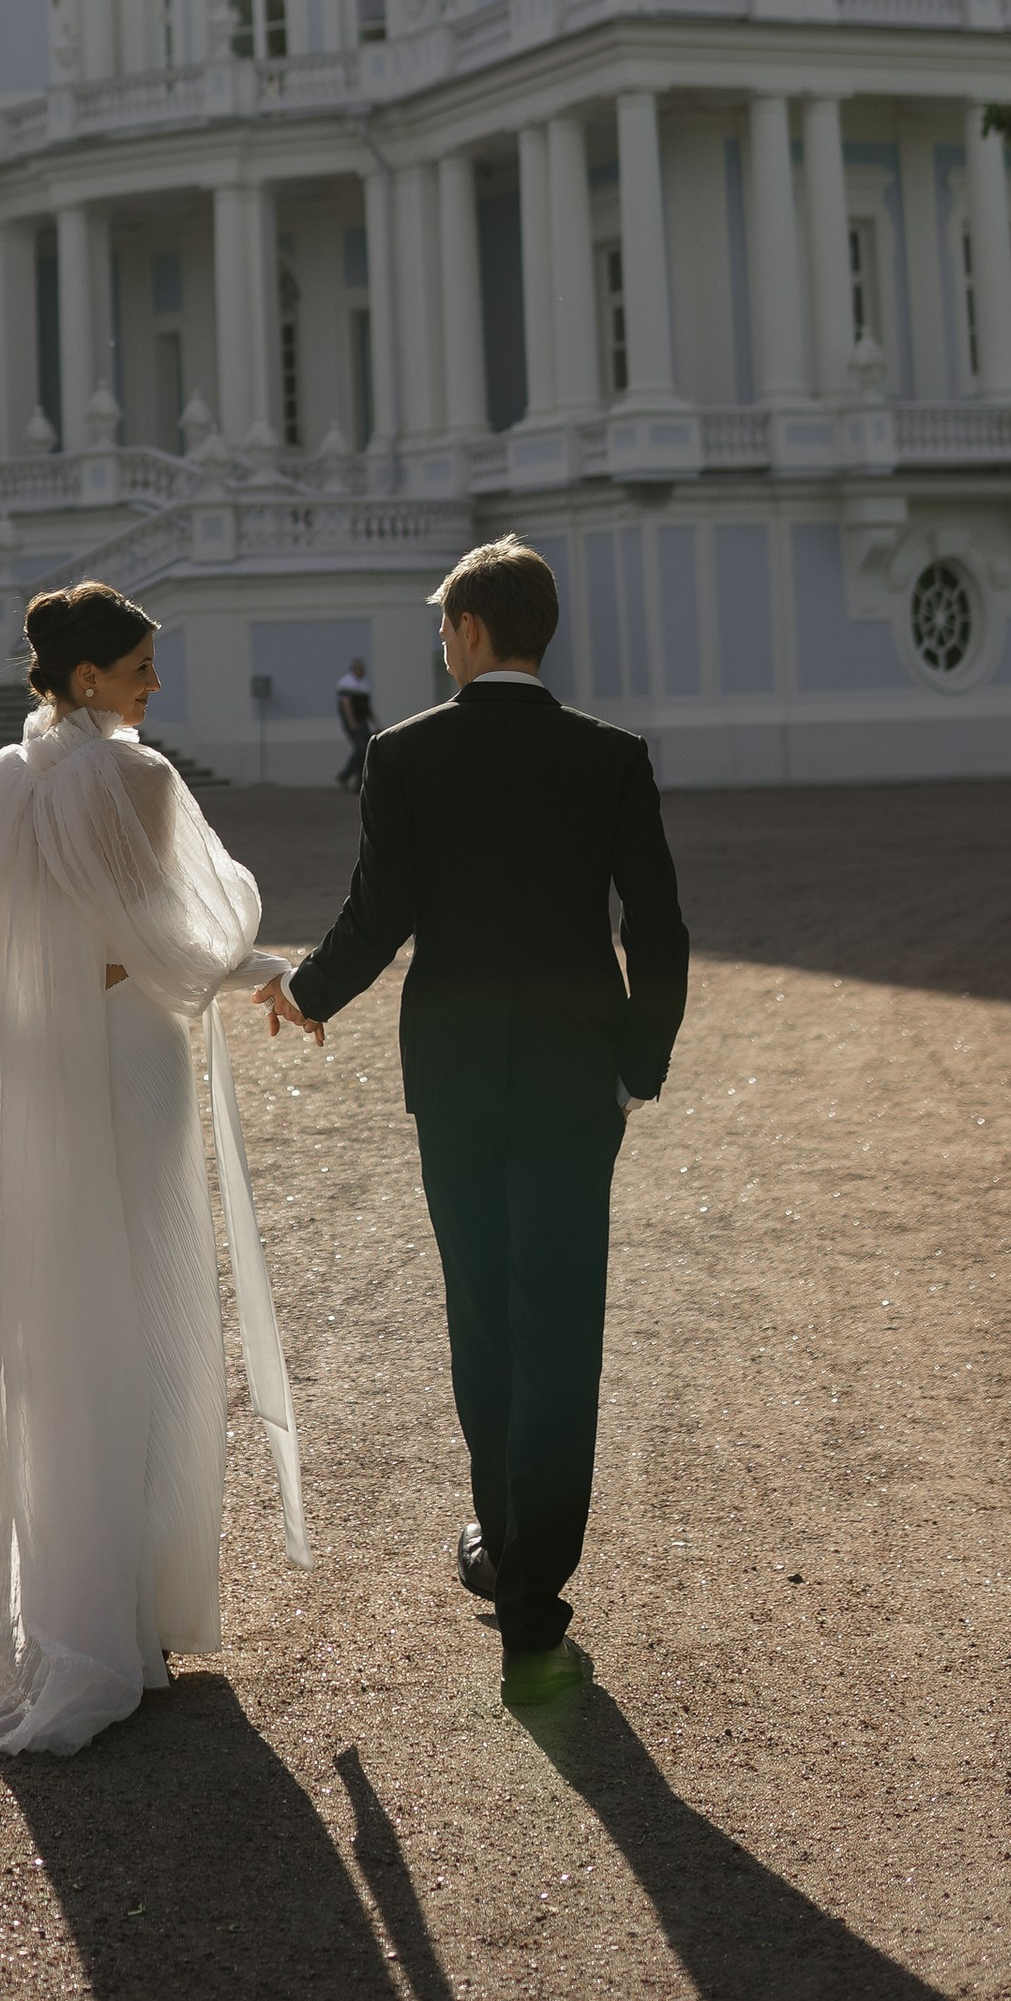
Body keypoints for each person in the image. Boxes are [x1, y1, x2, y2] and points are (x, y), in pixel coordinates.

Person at [0, 580, 308, 1755]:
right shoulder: (136, 779)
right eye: (142, 667)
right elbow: (180, 937)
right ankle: (136, 1615)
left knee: (57, 1331)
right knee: (146, 1317)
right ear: (91, 675)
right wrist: (267, 967)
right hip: (129, 1061)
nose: (156, 685)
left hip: (41, 1074)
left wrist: (39, 1006)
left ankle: (67, 1615)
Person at [255, 535, 687, 1713]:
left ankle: (504, 1549)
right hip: (572, 1078)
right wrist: (636, 1068)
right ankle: (534, 1591)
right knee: (560, 1327)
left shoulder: (404, 754)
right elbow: (657, 927)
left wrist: (303, 992)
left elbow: (380, 911)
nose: (441, 642)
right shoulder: (610, 756)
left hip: (451, 1076)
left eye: (444, 626)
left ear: (473, 632)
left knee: (483, 1318)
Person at [334, 656, 375, 791]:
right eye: (360, 669)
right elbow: (346, 704)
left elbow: (367, 708)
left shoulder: (363, 685)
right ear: (354, 669)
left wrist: (375, 723)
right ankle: (345, 775)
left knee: (364, 750)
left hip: (363, 722)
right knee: (360, 749)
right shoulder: (346, 683)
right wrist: (352, 722)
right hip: (354, 722)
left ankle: (358, 782)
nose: (363, 671)